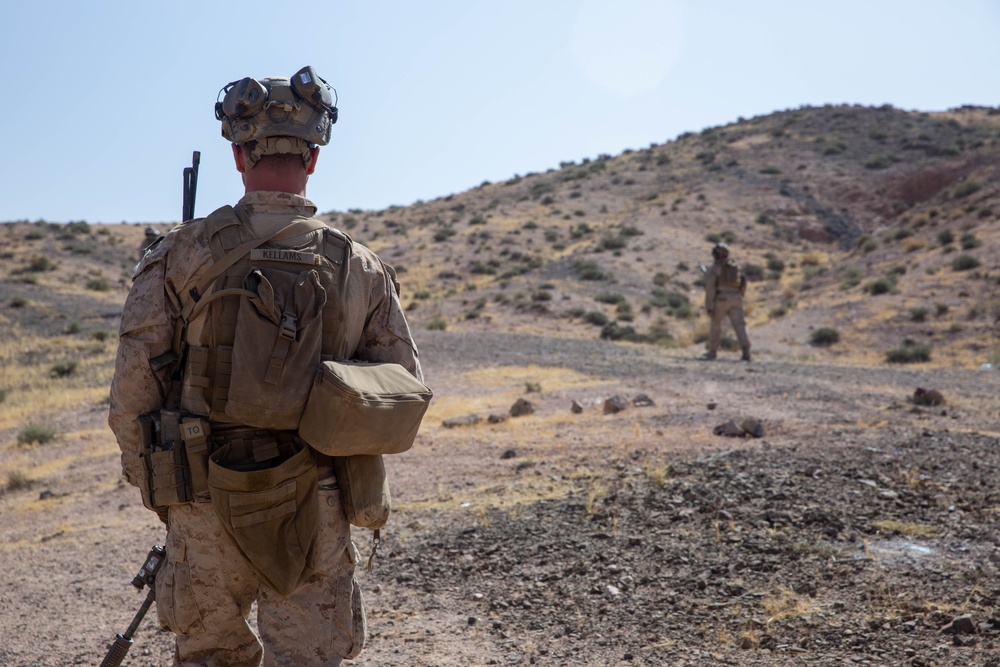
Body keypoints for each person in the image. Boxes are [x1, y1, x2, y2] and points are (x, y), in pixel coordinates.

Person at [108, 66, 422, 666]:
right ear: (313, 157)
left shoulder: (178, 253)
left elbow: (132, 393)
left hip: (201, 491)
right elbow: (401, 390)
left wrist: (160, 490)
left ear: (236, 154)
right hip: (319, 498)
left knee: (210, 656)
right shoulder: (360, 267)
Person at [703, 243, 751, 361]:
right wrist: (740, 295)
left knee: (715, 324)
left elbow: (711, 289)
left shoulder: (715, 268)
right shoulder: (735, 266)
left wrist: (709, 306)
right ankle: (746, 350)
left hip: (722, 299)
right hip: (736, 297)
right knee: (739, 325)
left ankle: (712, 352)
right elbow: (743, 282)